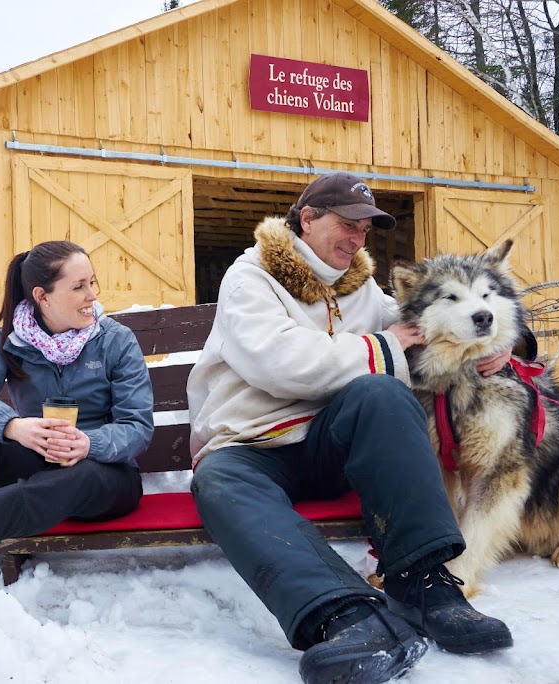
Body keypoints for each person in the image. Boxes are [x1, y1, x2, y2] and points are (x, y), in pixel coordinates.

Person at [186, 172, 514, 684]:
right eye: (347, 224)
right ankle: (345, 616)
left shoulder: (359, 286)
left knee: (382, 393)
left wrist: (509, 343)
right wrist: (384, 345)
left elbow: (433, 320)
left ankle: (425, 583)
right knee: (218, 481)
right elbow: (278, 361)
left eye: (365, 230)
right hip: (252, 444)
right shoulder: (250, 277)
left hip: (329, 443)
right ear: (308, 219)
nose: (358, 239)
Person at [0, 240, 153, 588]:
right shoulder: (9, 342)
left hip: (105, 476)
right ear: (43, 296)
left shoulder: (116, 341)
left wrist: (89, 443)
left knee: (78, 476)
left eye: (91, 282)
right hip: (38, 459)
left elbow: (138, 427)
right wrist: (13, 426)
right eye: (78, 286)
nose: (92, 295)